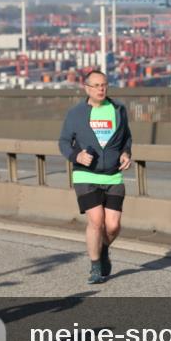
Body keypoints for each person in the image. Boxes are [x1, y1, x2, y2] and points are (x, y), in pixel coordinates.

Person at [58, 70, 132, 284]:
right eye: (96, 85)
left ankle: (104, 249)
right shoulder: (76, 113)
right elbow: (63, 141)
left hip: (113, 175)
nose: (101, 89)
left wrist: (127, 153)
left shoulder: (118, 109)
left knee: (113, 226)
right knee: (96, 221)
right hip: (86, 175)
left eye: (104, 85)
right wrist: (76, 156)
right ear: (87, 88)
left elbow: (127, 137)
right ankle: (95, 267)